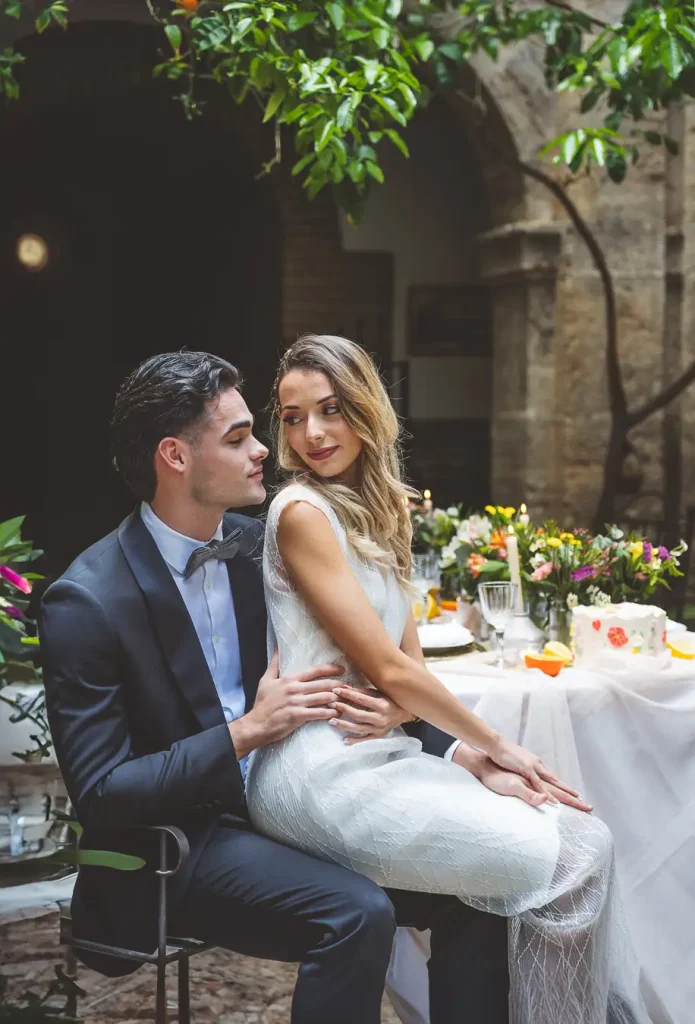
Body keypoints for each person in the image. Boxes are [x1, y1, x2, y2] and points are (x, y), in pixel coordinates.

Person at [41, 349, 551, 1024]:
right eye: (237, 438)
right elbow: (105, 795)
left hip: (302, 796)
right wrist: (248, 731)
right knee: (354, 912)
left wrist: (460, 753)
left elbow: (363, 671)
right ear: (175, 456)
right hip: (183, 844)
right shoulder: (87, 599)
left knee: (478, 884)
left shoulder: (267, 545)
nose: (264, 450)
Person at [245, 334, 649, 1024]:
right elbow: (386, 668)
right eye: (291, 416)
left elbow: (406, 673)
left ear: (366, 408)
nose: (310, 432)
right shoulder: (301, 514)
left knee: (580, 845)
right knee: (575, 860)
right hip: (315, 775)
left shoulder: (387, 510)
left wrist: (457, 752)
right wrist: (501, 745)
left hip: (383, 755)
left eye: (330, 408)